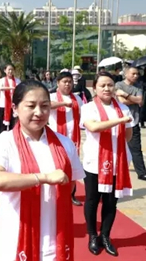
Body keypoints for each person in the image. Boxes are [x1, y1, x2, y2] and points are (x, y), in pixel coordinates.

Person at [0, 79, 85, 261]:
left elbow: (69, 186)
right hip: (13, 242)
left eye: (45, 106)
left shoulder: (65, 144)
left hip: (54, 244)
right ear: (15, 108)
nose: (39, 112)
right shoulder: (2, 142)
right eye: (31, 106)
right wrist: (43, 177)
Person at [80, 72, 134, 257]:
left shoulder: (123, 109)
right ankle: (92, 236)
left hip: (118, 162)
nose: (106, 88)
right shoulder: (88, 108)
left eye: (110, 85)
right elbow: (93, 127)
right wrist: (119, 121)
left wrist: (118, 148)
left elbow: (128, 135)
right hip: (95, 162)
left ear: (114, 87)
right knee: (92, 200)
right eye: (102, 85)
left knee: (111, 202)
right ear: (95, 87)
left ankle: (105, 235)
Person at [49, 71, 84, 206]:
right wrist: (63, 103)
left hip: (73, 138)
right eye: (65, 82)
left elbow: (81, 115)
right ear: (58, 83)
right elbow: (48, 105)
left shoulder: (77, 99)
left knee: (73, 167)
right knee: (56, 165)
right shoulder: (53, 96)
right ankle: (55, 193)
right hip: (56, 137)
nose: (68, 84)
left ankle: (71, 194)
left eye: (70, 82)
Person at [115, 67, 146, 182]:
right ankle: (114, 170)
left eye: (137, 74)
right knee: (115, 147)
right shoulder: (118, 85)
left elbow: (140, 101)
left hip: (133, 121)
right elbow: (121, 101)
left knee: (136, 148)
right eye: (133, 74)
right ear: (126, 74)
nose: (136, 76)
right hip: (117, 121)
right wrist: (133, 99)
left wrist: (125, 95)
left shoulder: (138, 87)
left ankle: (141, 173)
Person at [0, 64, 21, 133]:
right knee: (2, 124)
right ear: (5, 71)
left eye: (12, 70)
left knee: (13, 123)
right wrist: (11, 88)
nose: (10, 71)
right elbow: (0, 88)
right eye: (9, 69)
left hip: (14, 105)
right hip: (3, 105)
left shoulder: (17, 80)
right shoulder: (1, 80)